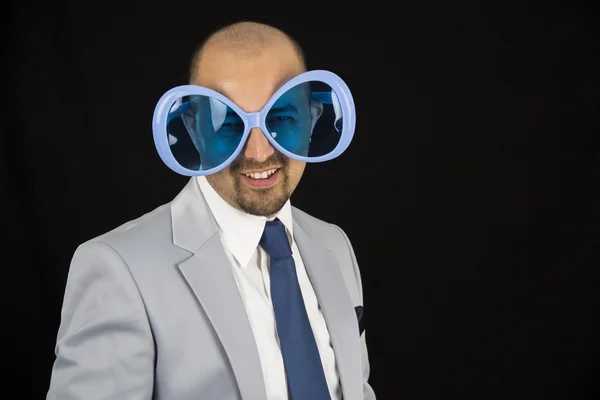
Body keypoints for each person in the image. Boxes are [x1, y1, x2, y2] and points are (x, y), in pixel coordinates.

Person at [47, 21, 376, 400]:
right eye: (227, 122)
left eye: (282, 118)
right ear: (192, 128)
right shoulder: (118, 269)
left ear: (313, 118)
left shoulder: (334, 246)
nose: (258, 152)